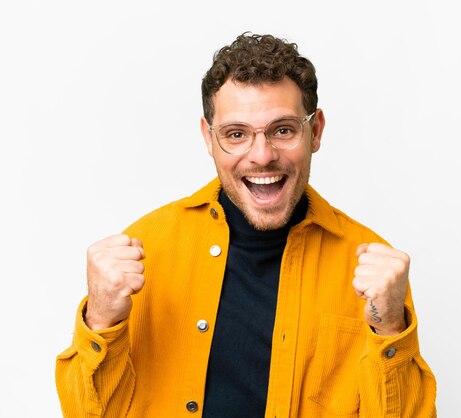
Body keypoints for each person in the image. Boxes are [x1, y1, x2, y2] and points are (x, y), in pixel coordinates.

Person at [55, 32, 436, 417]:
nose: (262, 155)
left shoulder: (372, 270)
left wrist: (389, 329)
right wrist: (101, 320)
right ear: (209, 137)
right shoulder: (145, 250)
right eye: (236, 134)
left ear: (315, 131)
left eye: (283, 130)